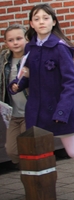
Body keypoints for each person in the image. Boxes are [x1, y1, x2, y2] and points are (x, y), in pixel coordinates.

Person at [9, 4, 74, 199]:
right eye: (37, 19)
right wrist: (19, 83)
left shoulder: (61, 48)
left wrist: (62, 111)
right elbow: (28, 74)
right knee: (36, 150)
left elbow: (71, 83)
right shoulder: (30, 47)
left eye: (46, 18)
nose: (41, 22)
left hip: (61, 109)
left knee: (73, 150)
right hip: (36, 109)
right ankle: (40, 188)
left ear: (54, 22)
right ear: (31, 24)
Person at [1, 24, 28, 167]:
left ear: (26, 39)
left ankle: (32, 173)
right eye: (11, 40)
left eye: (19, 38)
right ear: (6, 43)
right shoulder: (4, 60)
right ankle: (26, 169)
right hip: (13, 114)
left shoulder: (31, 58)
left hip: (29, 112)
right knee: (11, 150)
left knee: (27, 145)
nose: (15, 43)